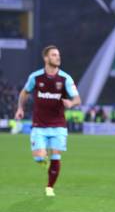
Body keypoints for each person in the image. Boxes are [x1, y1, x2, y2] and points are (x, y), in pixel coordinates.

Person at [14, 45, 81, 197]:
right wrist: (20, 108)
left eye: (58, 55)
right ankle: (47, 165)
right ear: (46, 58)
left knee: (56, 155)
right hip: (39, 125)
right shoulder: (35, 77)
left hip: (58, 125)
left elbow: (77, 98)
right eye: (54, 55)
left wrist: (71, 103)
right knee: (39, 157)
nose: (58, 57)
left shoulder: (65, 78)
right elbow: (24, 92)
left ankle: (50, 187)